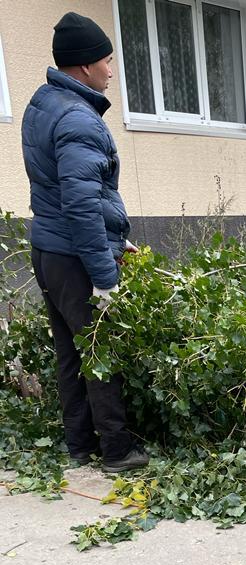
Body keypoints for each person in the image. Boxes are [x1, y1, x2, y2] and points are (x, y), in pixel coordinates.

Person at [21, 12, 148, 474]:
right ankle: (117, 451)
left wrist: (117, 240)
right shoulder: (79, 118)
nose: (111, 71)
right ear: (84, 66)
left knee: (70, 352)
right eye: (107, 61)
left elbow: (67, 191)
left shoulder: (44, 102)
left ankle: (79, 444)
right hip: (74, 256)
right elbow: (80, 204)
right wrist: (104, 274)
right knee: (99, 348)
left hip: (48, 250)